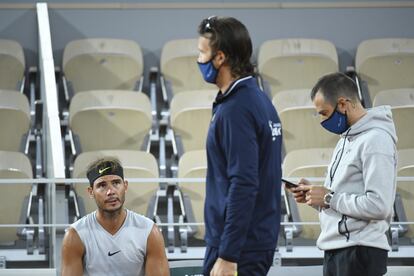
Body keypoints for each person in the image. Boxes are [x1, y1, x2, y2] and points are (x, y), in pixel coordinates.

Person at [197, 16, 283, 276]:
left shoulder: (236, 109)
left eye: (202, 52)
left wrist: (228, 254)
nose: (198, 60)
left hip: (238, 249)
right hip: (252, 243)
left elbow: (244, 182)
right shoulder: (258, 99)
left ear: (220, 57)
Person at [290, 72, 397, 276]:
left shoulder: (376, 140)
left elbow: (379, 205)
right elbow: (341, 199)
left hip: (360, 252)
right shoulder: (346, 139)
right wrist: (315, 196)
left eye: (324, 113)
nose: (321, 120)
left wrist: (329, 198)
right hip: (338, 250)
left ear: (342, 104)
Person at [61, 158, 169, 276]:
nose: (110, 191)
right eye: (102, 185)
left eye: (116, 183)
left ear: (125, 186)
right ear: (91, 192)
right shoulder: (75, 235)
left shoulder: (149, 231)